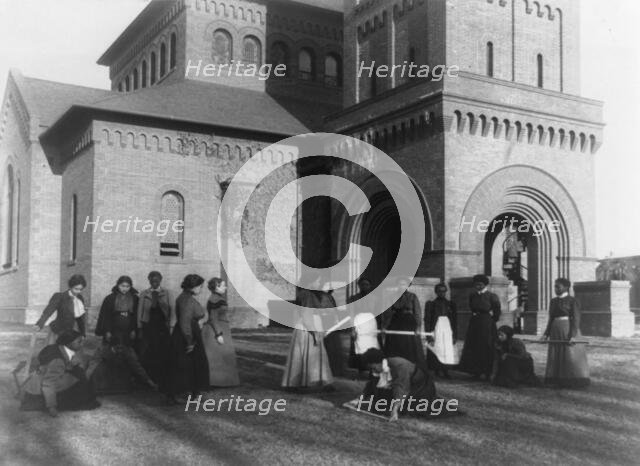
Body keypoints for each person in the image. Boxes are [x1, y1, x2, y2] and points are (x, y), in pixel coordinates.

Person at [94, 276, 157, 393]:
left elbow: (135, 316)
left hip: (128, 332)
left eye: (127, 286)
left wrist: (134, 329)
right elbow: (106, 317)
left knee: (130, 356)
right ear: (117, 285)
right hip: (113, 331)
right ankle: (106, 383)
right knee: (109, 355)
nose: (125, 289)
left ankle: (130, 382)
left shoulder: (134, 298)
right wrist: (107, 331)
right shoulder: (110, 299)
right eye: (122, 286)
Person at [21, 330, 100, 417]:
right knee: (80, 380)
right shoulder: (58, 361)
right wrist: (52, 407)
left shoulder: (56, 348)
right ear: (69, 343)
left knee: (77, 372)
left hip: (35, 384)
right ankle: (54, 404)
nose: (82, 344)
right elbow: (48, 383)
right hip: (38, 393)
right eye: (79, 342)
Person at [282, 271, 334, 390]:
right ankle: (311, 381)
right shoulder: (307, 295)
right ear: (310, 281)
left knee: (306, 356)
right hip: (308, 329)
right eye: (318, 280)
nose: (319, 282)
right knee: (311, 356)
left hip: (306, 327)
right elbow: (306, 315)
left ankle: (303, 382)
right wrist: (314, 332)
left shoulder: (306, 294)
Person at [360, 348, 436, 422]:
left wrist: (395, 409)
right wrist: (359, 399)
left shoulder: (399, 366)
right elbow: (371, 384)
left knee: (408, 410)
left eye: (373, 367)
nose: (373, 370)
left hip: (421, 388)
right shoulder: (380, 368)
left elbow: (401, 388)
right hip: (406, 386)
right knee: (379, 406)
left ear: (379, 362)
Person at [541, 278, 590, 388]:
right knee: (555, 354)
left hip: (568, 330)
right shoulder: (553, 301)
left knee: (569, 354)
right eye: (555, 286)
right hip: (555, 330)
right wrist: (546, 334)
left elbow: (576, 319)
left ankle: (572, 380)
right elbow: (551, 319)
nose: (555, 288)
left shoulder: (573, 301)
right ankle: (556, 379)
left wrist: (572, 335)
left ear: (566, 287)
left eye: (558, 286)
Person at [168, 274, 209, 403]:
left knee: (191, 365)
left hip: (187, 332)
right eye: (200, 287)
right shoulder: (187, 300)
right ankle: (179, 395)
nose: (201, 290)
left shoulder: (185, 297)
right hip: (187, 334)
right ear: (193, 286)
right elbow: (185, 322)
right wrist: (190, 341)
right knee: (186, 365)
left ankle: (191, 393)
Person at [458, 274, 501, 380]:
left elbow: (497, 312)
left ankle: (487, 372)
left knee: (486, 346)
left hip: (486, 323)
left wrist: (490, 320)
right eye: (476, 284)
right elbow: (472, 308)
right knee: (474, 345)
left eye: (480, 284)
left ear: (485, 284)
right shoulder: (472, 295)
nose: (478, 286)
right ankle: (475, 371)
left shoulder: (492, 296)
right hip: (475, 323)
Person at [138, 271, 174, 392]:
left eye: (157, 280)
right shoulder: (144, 294)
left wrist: (171, 325)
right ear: (149, 281)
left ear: (160, 280)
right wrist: (139, 326)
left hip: (162, 327)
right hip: (148, 326)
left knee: (162, 351)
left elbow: (172, 310)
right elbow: (139, 311)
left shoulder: (167, 293)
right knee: (148, 351)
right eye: (152, 280)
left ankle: (162, 378)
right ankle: (149, 379)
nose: (154, 283)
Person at [202, 277, 240, 387]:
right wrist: (218, 334)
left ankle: (222, 380)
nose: (226, 287)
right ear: (216, 287)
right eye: (223, 285)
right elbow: (213, 318)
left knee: (222, 356)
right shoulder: (215, 300)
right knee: (217, 356)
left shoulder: (217, 298)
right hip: (216, 329)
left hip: (222, 327)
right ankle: (216, 381)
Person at [382, 277, 424, 366]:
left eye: (404, 284)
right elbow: (388, 312)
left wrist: (418, 327)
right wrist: (385, 326)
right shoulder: (392, 297)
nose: (402, 286)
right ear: (397, 285)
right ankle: (394, 366)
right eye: (400, 284)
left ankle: (409, 366)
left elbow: (417, 313)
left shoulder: (412, 297)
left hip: (408, 323)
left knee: (408, 345)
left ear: (408, 285)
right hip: (395, 322)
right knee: (394, 345)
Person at [34, 274, 87, 344]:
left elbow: (80, 319)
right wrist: (39, 324)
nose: (78, 291)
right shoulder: (60, 297)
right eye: (76, 289)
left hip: (71, 332)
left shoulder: (80, 299)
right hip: (58, 331)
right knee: (56, 352)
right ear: (70, 287)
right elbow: (48, 312)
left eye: (81, 289)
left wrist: (82, 333)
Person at [424, 283, 457, 378]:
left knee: (446, 348)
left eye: (443, 291)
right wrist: (428, 335)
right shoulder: (431, 304)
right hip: (436, 328)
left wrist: (454, 335)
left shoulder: (451, 304)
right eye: (439, 291)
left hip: (447, 328)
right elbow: (427, 320)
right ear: (436, 292)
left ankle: (446, 370)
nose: (442, 293)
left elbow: (454, 321)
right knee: (438, 347)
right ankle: (437, 369)